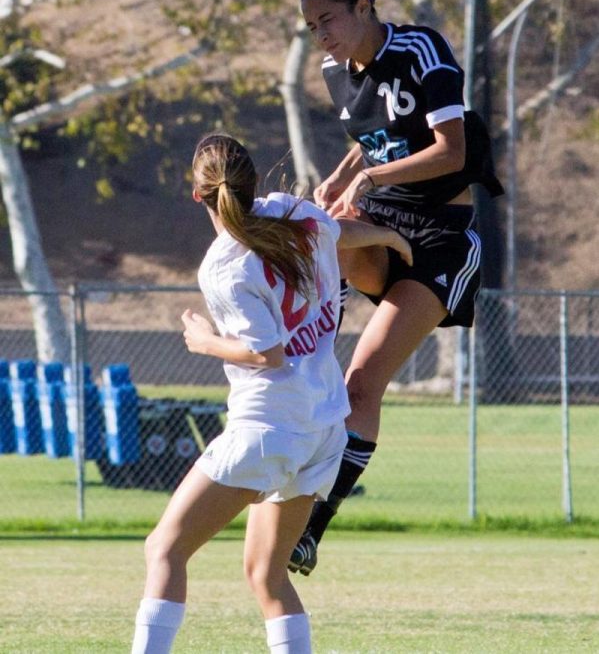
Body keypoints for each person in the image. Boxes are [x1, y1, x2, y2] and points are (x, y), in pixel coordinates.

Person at [288, 0, 503, 577]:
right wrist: (344, 171)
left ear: (363, 4)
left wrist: (371, 184)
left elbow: (452, 153)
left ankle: (315, 523)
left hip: (441, 236)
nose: (321, 37)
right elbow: (374, 137)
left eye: (328, 22)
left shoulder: (422, 51)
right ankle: (281, 395)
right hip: (390, 223)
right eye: (312, 27)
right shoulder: (333, 69)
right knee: (312, 226)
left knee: (361, 384)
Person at [130, 133, 412, 654]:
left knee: (164, 549)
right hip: (323, 432)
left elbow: (268, 354)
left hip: (267, 429)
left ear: (198, 195)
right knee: (268, 575)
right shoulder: (291, 212)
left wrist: (205, 341)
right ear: (254, 182)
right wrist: (387, 237)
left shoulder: (223, 265)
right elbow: (336, 233)